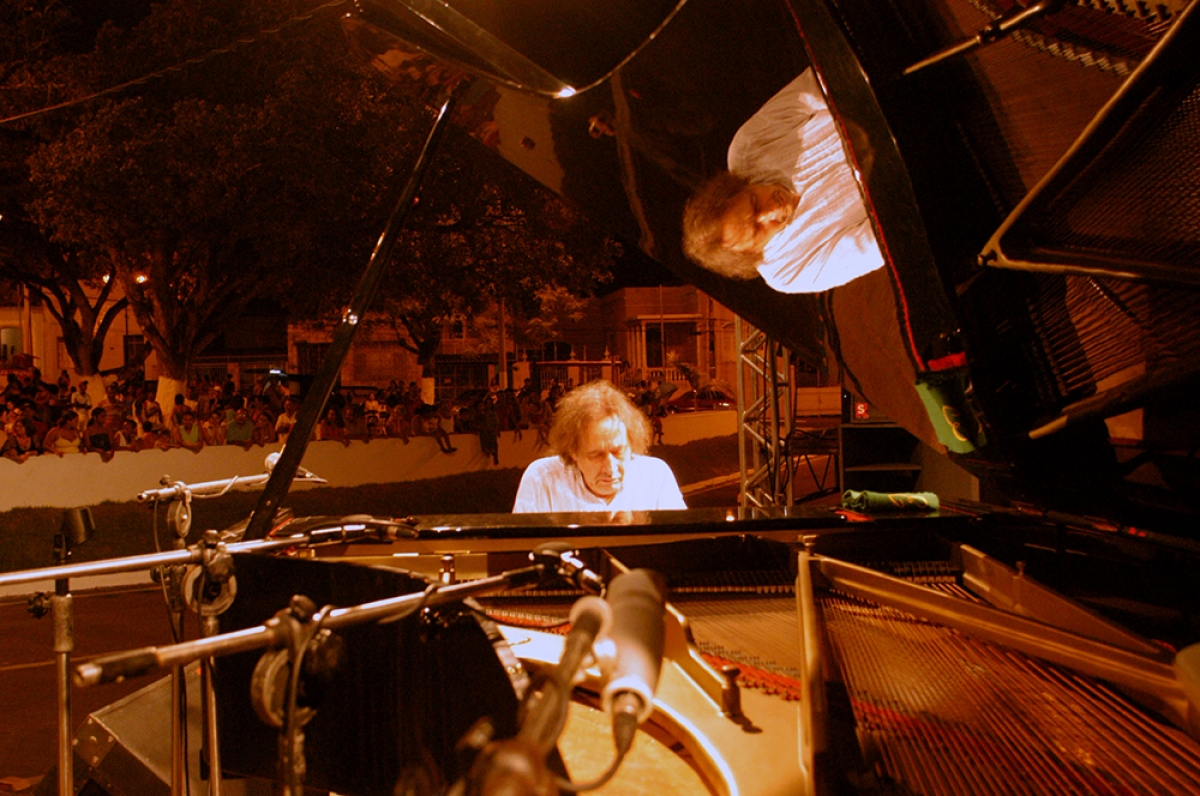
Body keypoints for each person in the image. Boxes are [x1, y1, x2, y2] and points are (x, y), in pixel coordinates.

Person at [681, 68, 882, 294]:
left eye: (755, 203)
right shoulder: (787, 273)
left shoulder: (748, 146)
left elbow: (821, 84)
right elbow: (876, 243)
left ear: (737, 186)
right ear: (752, 254)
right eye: (758, 229)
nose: (772, 210)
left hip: (881, 94)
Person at [513, 380, 686, 513]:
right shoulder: (542, 479)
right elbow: (520, 553)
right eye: (596, 455)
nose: (610, 468)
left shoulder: (655, 476)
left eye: (618, 452)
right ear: (573, 452)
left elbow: (681, 547)